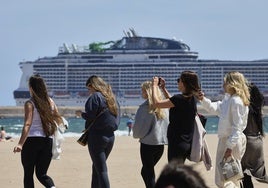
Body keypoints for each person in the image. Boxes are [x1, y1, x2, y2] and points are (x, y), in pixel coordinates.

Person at [196, 71, 250, 188]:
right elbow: (214, 108)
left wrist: (229, 147)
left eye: (225, 82)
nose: (223, 85)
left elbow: (237, 127)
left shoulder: (236, 101)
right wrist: (203, 99)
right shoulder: (229, 99)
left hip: (231, 141)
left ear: (232, 84)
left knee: (228, 178)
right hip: (228, 140)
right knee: (227, 177)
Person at [13, 74, 63, 188]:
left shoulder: (29, 103)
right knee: (42, 174)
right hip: (47, 140)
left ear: (31, 88)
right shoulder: (50, 102)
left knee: (28, 174)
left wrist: (20, 144)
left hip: (31, 141)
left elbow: (27, 124)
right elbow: (58, 118)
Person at [152, 71, 201, 164]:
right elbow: (173, 102)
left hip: (176, 143)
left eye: (179, 80)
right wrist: (163, 89)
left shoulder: (179, 99)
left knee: (174, 174)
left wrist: (154, 86)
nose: (177, 82)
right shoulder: (191, 98)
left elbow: (156, 104)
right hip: (186, 142)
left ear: (184, 83)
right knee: (178, 173)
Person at [80, 75, 120, 188]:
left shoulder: (95, 97)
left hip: (97, 137)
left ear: (93, 86)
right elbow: (116, 120)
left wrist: (81, 114)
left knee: (102, 170)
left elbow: (90, 115)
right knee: (97, 168)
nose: (89, 92)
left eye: (89, 89)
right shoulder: (112, 98)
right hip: (111, 137)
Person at [132, 81, 169, 188]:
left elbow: (139, 129)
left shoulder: (144, 108)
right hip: (160, 145)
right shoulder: (163, 106)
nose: (141, 92)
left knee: (148, 174)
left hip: (147, 145)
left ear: (148, 92)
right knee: (147, 172)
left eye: (142, 90)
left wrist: (137, 135)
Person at [241, 83, 268, 187]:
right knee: (256, 172)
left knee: (243, 174)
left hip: (246, 142)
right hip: (257, 142)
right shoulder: (257, 108)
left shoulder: (245, 108)